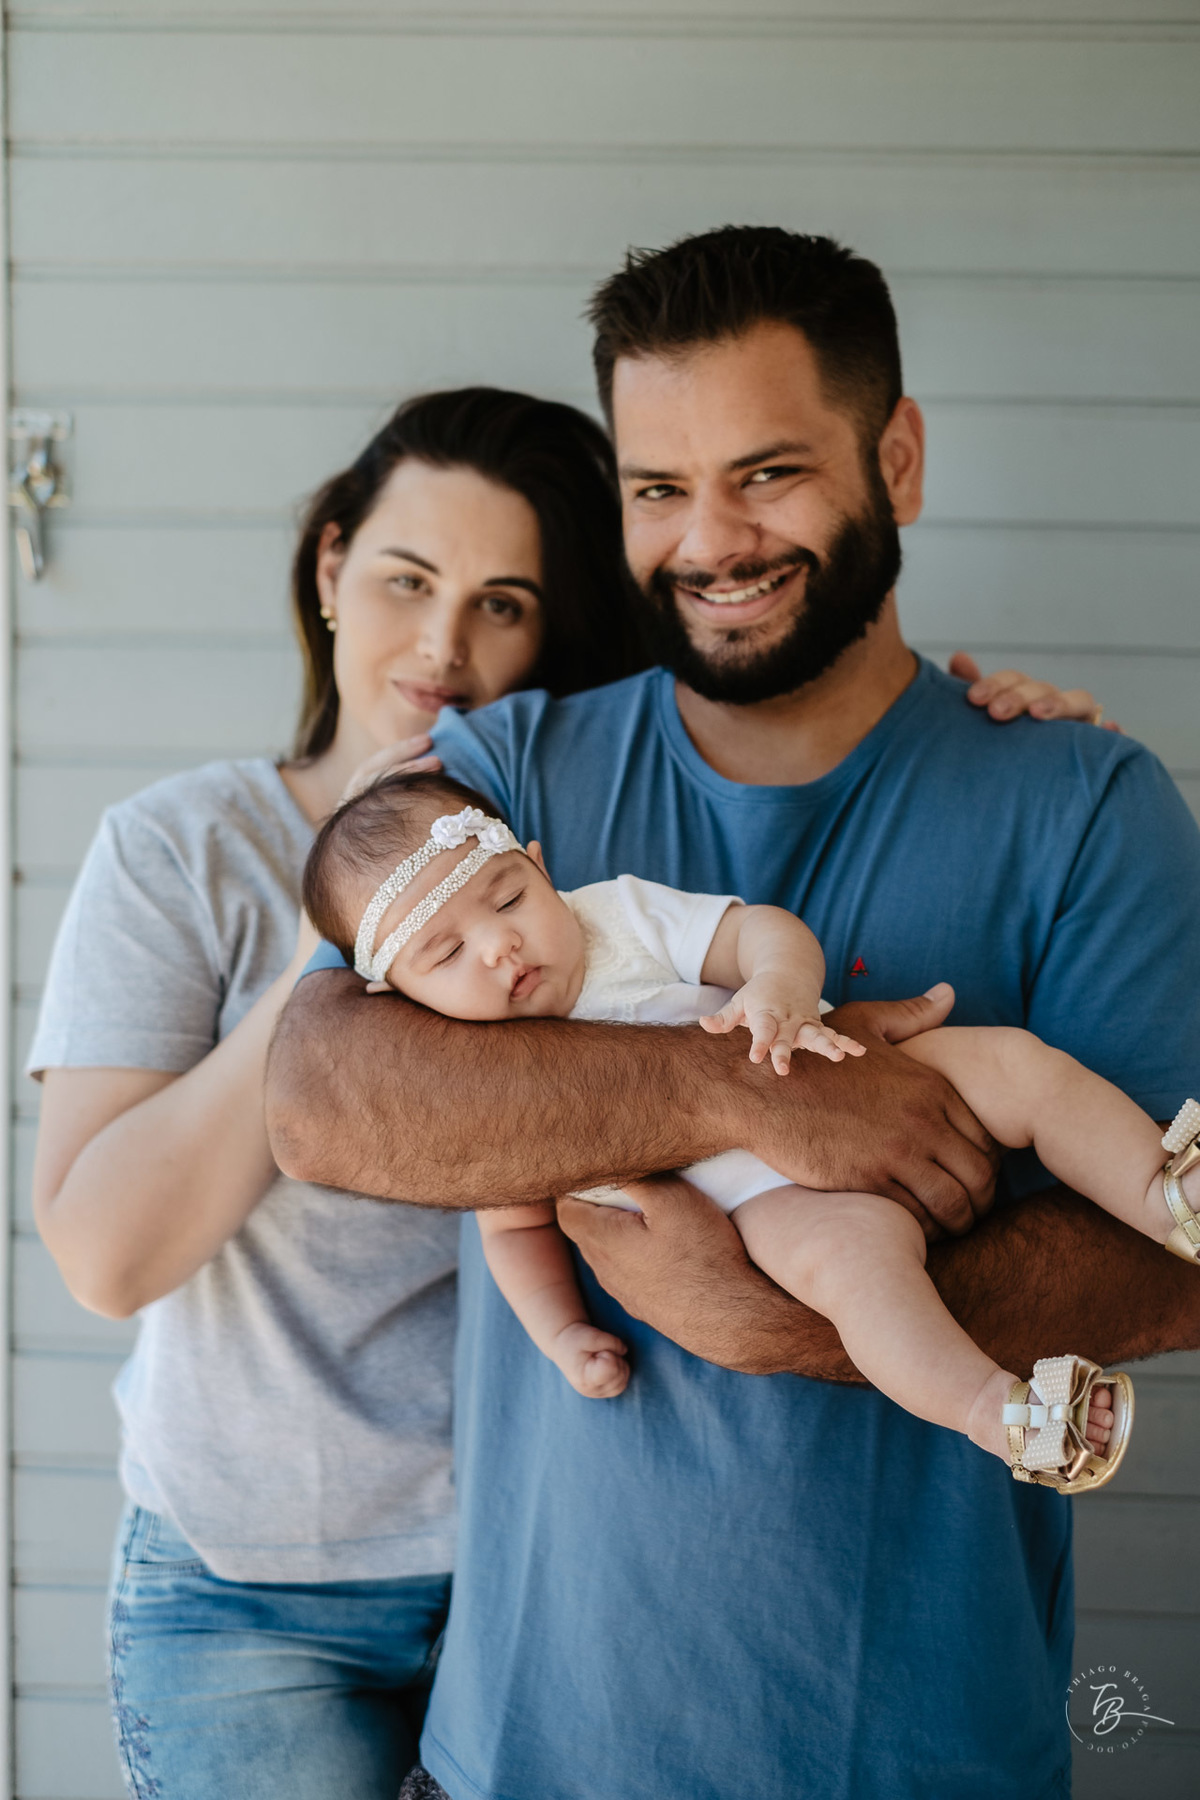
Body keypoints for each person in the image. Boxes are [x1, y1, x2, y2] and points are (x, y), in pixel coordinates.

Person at [266, 228, 1200, 1800]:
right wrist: (745, 1096)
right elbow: (324, 1101)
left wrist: (772, 1314)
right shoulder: (500, 780)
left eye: (768, 474)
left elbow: (1171, 1276)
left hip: (924, 1756)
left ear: (895, 458)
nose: (710, 541)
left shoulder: (1082, 801)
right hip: (534, 1753)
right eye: (658, 489)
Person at [27, 387, 651, 1799]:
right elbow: (106, 1257)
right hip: (247, 1599)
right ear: (329, 567)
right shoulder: (180, 849)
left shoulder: (559, 876)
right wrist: (352, 930)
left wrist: (1006, 728)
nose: (443, 648)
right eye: (407, 581)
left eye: (502, 604)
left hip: (535, 1574)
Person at [303, 769, 1200, 1490]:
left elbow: (756, 931)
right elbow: (512, 1230)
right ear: (397, 996)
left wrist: (777, 984)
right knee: (860, 1279)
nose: (499, 946)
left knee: (1012, 1063)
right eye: (447, 952)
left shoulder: (615, 915)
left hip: (836, 1065)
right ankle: (1001, 1414)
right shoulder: (470, 1077)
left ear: (539, 867)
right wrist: (561, 1333)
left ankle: (1164, 1194)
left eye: (506, 900)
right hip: (766, 1206)